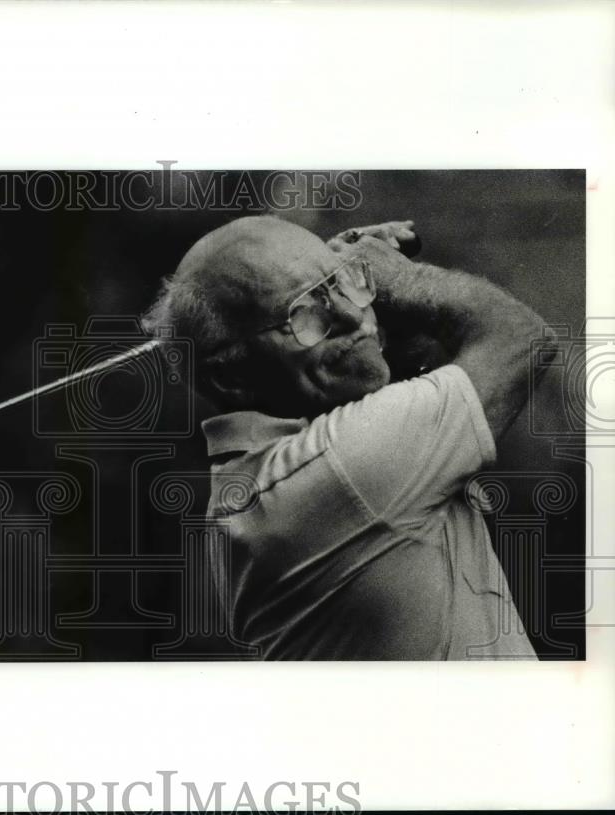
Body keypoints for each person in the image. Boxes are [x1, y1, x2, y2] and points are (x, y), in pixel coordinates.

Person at [142, 215, 557, 660]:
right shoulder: (345, 465)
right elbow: (521, 339)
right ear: (230, 377)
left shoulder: (268, 474)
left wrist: (330, 283)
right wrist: (403, 278)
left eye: (341, 286)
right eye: (300, 314)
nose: (346, 314)